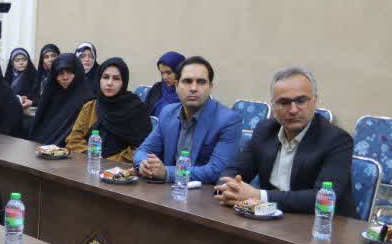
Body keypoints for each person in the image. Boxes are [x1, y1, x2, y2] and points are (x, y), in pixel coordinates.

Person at [215, 67, 356, 216]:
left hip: (324, 223)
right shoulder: (265, 131)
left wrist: (259, 196)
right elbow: (234, 170)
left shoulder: (337, 140)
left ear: (315, 101)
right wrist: (228, 188)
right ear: (273, 105)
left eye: (301, 101)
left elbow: (321, 198)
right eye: (284, 102)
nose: (293, 110)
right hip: (270, 218)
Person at [133, 55, 241, 184]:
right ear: (176, 85)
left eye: (201, 82)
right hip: (167, 190)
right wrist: (144, 164)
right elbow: (142, 151)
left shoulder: (228, 120)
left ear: (210, 87)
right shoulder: (168, 113)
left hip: (203, 193)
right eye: (187, 81)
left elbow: (216, 171)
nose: (194, 88)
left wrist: (167, 173)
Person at [65, 58, 152, 163]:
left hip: (121, 169)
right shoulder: (90, 107)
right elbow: (73, 139)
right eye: (105, 77)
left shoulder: (136, 110)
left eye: (116, 79)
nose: (109, 83)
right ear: (99, 79)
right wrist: (91, 154)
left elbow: (142, 148)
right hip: (90, 164)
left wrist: (107, 162)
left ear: (123, 82)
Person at [28, 53, 92, 145]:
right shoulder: (51, 96)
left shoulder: (87, 100)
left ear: (77, 72)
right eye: (60, 73)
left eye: (69, 72)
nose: (65, 78)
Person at [142, 50, 185, 116]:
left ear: (180, 71)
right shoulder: (157, 88)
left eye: (168, 72)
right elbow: (144, 113)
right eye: (162, 73)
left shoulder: (187, 93)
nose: (164, 77)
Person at [21, 44, 60, 108]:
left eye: (53, 56)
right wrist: (26, 98)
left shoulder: (63, 76)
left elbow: (57, 100)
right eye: (46, 57)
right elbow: (37, 96)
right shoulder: (42, 76)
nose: (50, 59)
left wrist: (33, 103)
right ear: (42, 61)